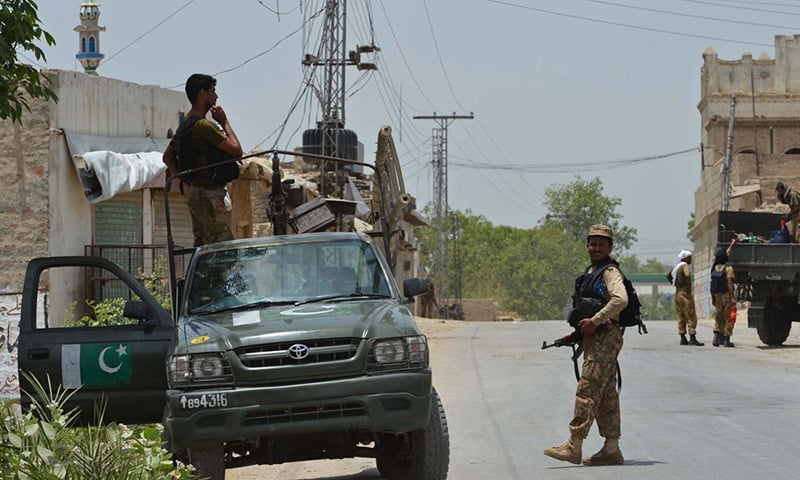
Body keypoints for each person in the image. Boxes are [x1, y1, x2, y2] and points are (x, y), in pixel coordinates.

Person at [544, 224, 627, 466]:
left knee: (588, 390)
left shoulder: (609, 272)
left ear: (610, 247)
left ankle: (574, 445)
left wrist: (596, 320)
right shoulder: (591, 272)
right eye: (593, 243)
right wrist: (579, 333)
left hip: (605, 337)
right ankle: (612, 448)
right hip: (596, 338)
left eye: (602, 244)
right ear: (587, 246)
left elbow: (620, 300)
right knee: (607, 394)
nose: (597, 247)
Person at [163, 73, 244, 246]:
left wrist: (185, 180)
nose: (216, 96)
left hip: (196, 194)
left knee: (202, 246)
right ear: (202, 94)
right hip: (210, 196)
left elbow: (167, 157)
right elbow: (237, 150)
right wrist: (224, 121)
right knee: (223, 247)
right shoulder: (203, 125)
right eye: (212, 91)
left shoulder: (186, 123)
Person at [669, 249, 703, 346]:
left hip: (678, 293)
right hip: (685, 293)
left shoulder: (677, 267)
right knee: (691, 314)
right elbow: (687, 275)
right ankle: (692, 337)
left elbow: (668, 275)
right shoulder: (685, 266)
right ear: (685, 258)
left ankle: (682, 337)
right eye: (689, 258)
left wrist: (675, 284)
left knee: (681, 315)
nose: (691, 259)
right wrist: (688, 286)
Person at [710, 237, 737, 347]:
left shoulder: (714, 268)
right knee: (728, 317)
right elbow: (730, 284)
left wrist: (713, 297)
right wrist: (733, 297)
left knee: (718, 316)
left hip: (717, 295)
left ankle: (716, 337)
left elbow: (712, 284)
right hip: (726, 296)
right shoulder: (728, 268)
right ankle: (726, 339)